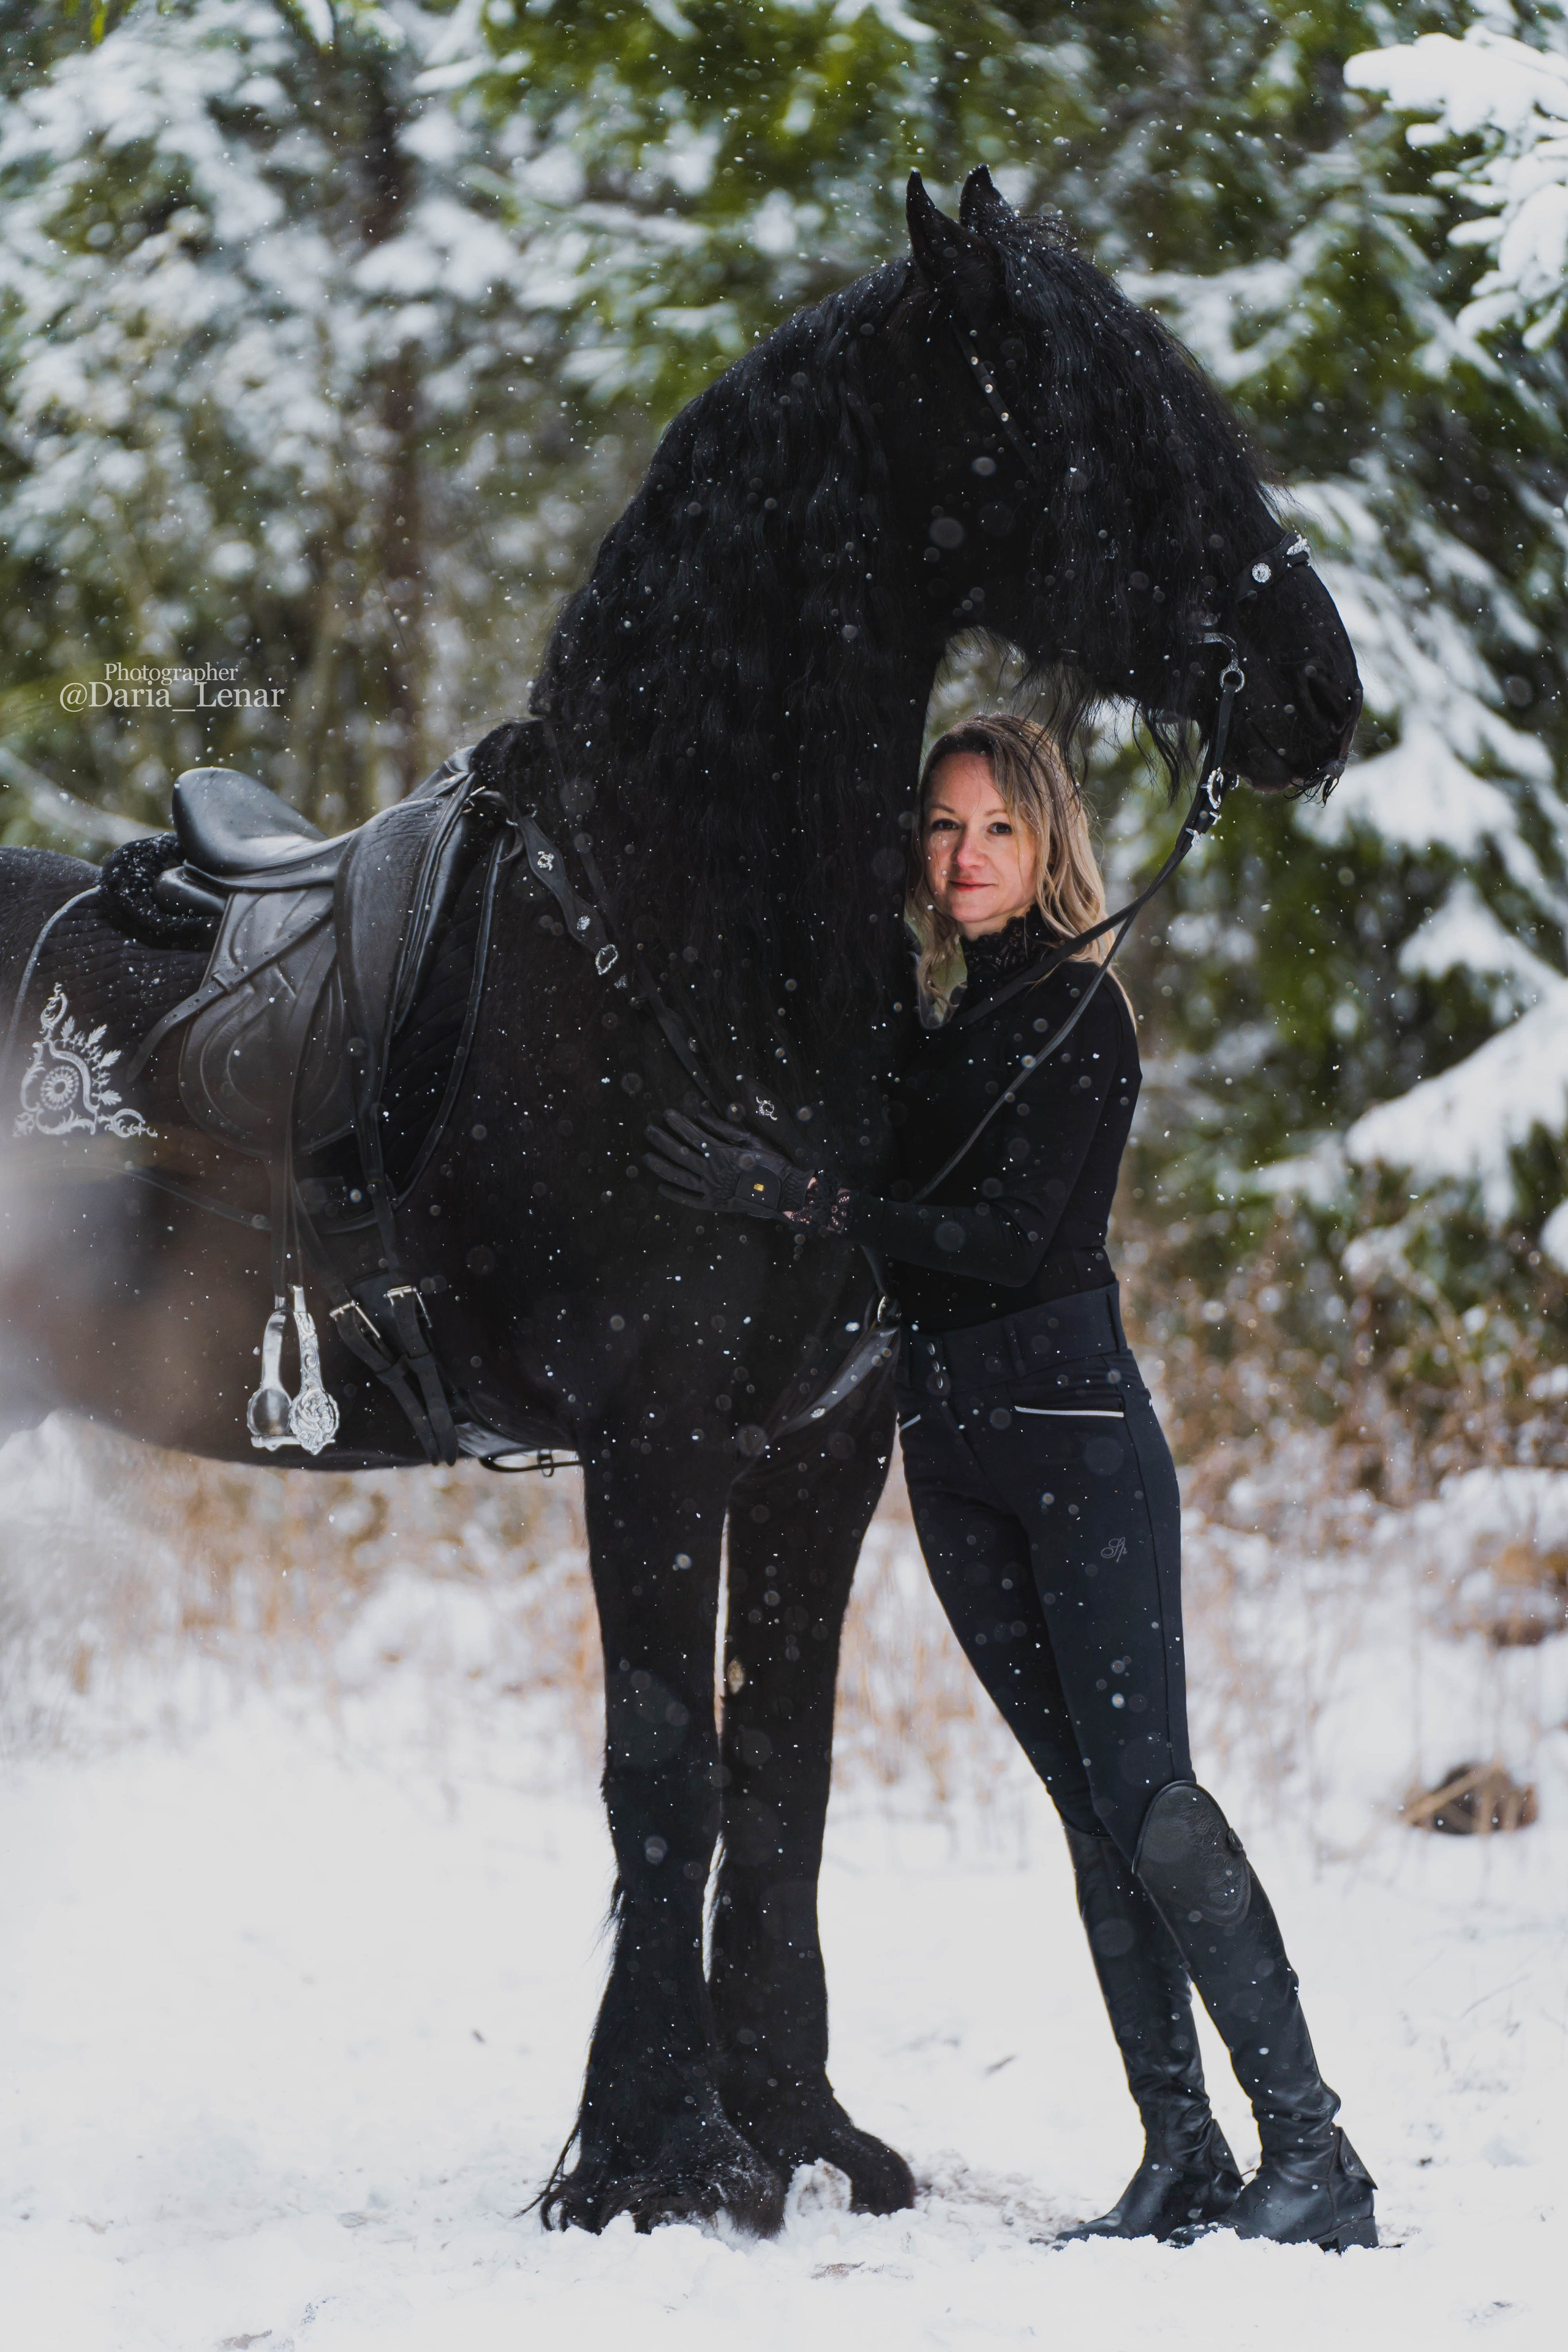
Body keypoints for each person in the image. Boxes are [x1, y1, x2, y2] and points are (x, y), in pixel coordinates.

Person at [644, 714, 1376, 2253]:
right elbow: (894, 1190)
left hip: (1074, 1443)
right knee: (1084, 1811)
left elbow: (1007, 1243)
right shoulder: (936, 1026)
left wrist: (812, 1198)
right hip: (955, 1453)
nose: (964, 856)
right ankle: (1181, 2153)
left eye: (996, 830)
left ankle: (1317, 2158)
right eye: (941, 829)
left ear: (1045, 850)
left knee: (1150, 1801)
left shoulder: (1077, 1018)